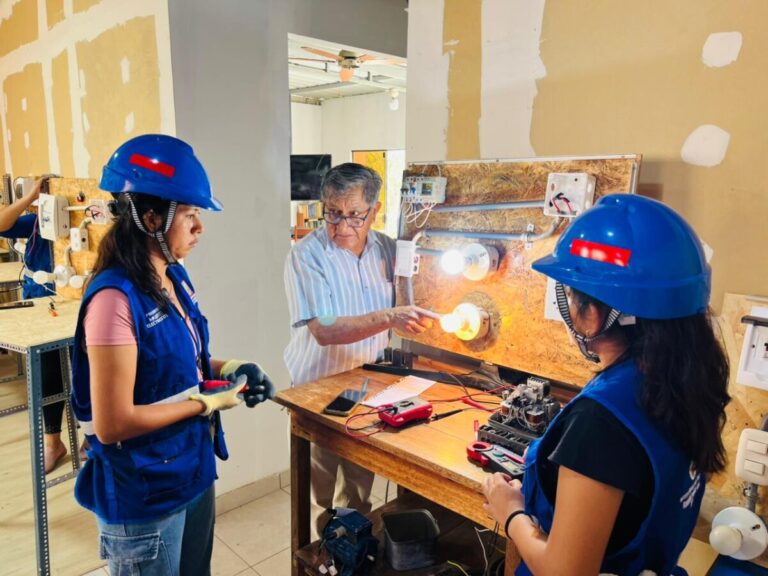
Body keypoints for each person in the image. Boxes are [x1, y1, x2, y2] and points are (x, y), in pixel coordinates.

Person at [482, 194, 730, 575]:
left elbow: (565, 572)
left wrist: (510, 510)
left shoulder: (600, 423)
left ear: (593, 316)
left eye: (566, 296)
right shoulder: (691, 377)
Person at [70, 134, 274, 576]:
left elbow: (179, 362)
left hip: (191, 472)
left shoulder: (173, 278)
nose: (200, 227)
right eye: (189, 214)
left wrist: (234, 368)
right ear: (149, 219)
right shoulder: (114, 301)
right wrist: (203, 403)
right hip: (143, 493)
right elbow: (112, 424)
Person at [284, 162, 434, 536]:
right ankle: (326, 548)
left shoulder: (386, 249)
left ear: (374, 211)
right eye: (332, 214)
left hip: (368, 382)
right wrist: (389, 317)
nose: (341, 227)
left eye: (354, 215)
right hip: (318, 384)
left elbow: (412, 297)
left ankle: (355, 540)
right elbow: (324, 329)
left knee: (360, 478)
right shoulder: (307, 254)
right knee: (322, 484)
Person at [0, 176, 72, 474]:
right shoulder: (33, 221)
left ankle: (91, 438)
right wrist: (30, 198)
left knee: (86, 372)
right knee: (49, 374)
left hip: (72, 303)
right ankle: (54, 441)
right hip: (39, 302)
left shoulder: (83, 224)